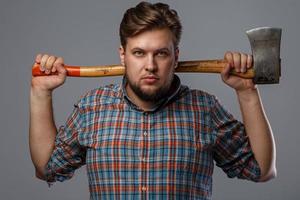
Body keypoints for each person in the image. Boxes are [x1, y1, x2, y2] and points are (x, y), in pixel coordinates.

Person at [29, 2, 276, 199]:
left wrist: (247, 92)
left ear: (176, 56)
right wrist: (41, 93)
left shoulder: (205, 109)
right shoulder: (92, 108)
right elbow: (47, 169)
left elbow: (262, 170)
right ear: (123, 55)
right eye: (139, 53)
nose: (150, 66)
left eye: (161, 53)